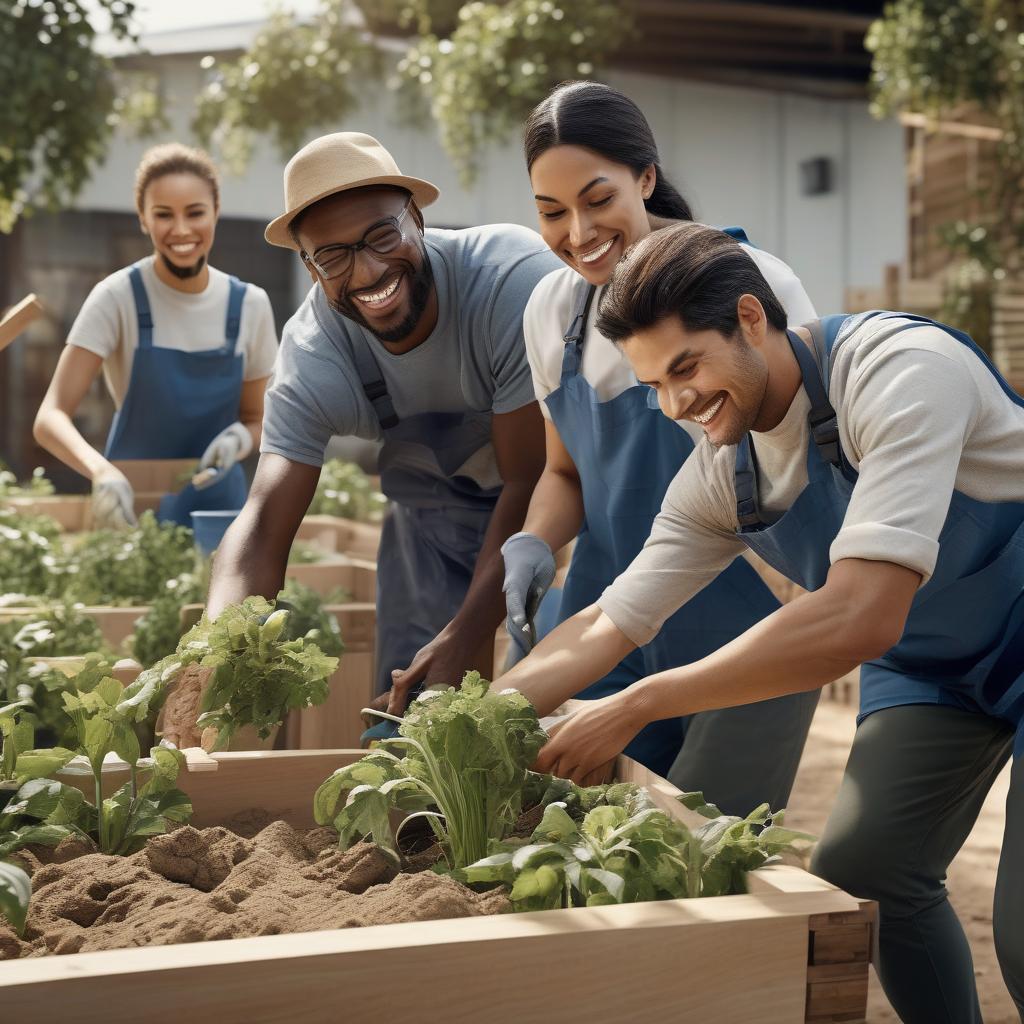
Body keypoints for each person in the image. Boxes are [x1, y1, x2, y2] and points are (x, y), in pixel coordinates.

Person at [502, 221, 1024, 1024]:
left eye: (687, 367)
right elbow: (611, 621)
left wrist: (639, 703)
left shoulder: (897, 370)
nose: (678, 404)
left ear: (751, 317)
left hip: (970, 624)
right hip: (934, 666)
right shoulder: (721, 472)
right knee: (867, 868)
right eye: (655, 386)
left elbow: (860, 615)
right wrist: (483, 710)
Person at [489, 81, 819, 809]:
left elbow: (806, 462)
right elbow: (564, 471)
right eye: (550, 212)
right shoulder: (552, 309)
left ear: (645, 177)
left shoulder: (753, 286)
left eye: (598, 199)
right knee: (561, 845)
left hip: (744, 633)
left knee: (701, 864)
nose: (577, 233)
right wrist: (535, 544)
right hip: (604, 621)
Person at [204, 132, 560, 704]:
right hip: (429, 526)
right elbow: (264, 524)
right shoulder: (315, 352)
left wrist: (467, 635)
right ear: (310, 266)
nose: (367, 272)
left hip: (556, 512)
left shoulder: (507, 281)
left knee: (533, 710)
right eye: (333, 256)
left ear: (416, 217)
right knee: (404, 723)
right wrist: (217, 646)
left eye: (380, 235)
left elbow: (529, 479)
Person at [34, 143, 278, 528]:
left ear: (216, 211)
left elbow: (259, 418)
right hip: (130, 506)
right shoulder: (117, 297)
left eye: (195, 213)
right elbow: (50, 417)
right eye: (163, 215)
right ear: (143, 219)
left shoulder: (251, 305)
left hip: (217, 513)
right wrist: (101, 472)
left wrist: (241, 440)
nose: (180, 230)